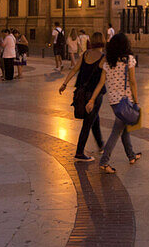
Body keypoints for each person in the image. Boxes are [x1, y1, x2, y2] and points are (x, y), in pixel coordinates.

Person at [87, 33, 141, 173]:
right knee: (117, 131)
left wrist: (92, 99)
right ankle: (104, 162)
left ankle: (131, 155)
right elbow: (133, 82)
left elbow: (101, 83)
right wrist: (136, 100)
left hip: (113, 101)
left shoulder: (108, 62)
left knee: (123, 128)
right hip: (126, 100)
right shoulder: (129, 60)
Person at [60, 32, 106, 161]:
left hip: (81, 92)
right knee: (88, 123)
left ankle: (101, 144)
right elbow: (103, 80)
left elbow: (74, 70)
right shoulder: (103, 58)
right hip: (95, 95)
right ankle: (79, 152)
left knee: (94, 118)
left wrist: (64, 83)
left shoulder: (85, 54)